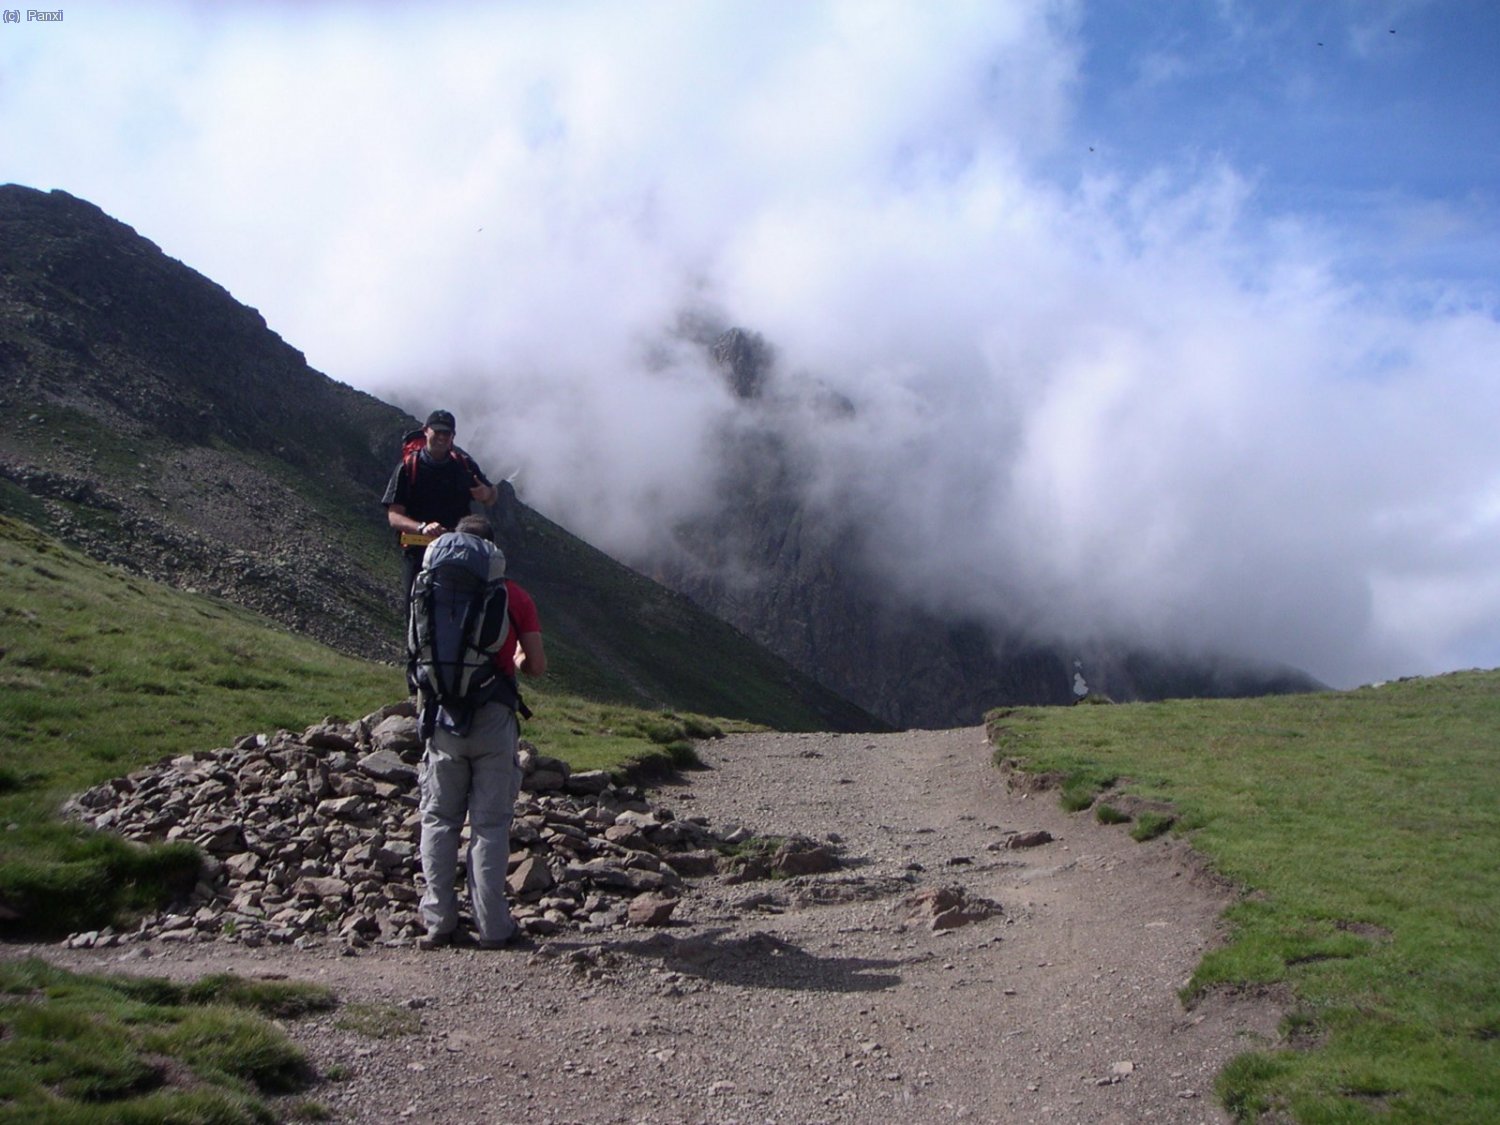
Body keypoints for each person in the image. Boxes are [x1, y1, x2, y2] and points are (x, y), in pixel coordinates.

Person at [416, 513, 547, 951]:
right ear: (492, 552)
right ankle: (494, 929)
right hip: (493, 717)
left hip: (443, 716)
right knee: (489, 826)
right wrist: (513, 662)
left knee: (439, 819)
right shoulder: (513, 595)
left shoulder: (431, 588)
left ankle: (439, 923)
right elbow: (537, 665)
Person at [382, 409, 499, 620]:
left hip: (458, 552)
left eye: (448, 433)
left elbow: (492, 496)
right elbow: (394, 516)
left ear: (453, 436)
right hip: (419, 551)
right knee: (416, 614)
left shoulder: (464, 465)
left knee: (455, 615)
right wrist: (422, 527)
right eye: (438, 431)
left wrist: (487, 493)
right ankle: (415, 653)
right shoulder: (409, 467)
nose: (443, 437)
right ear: (426, 431)